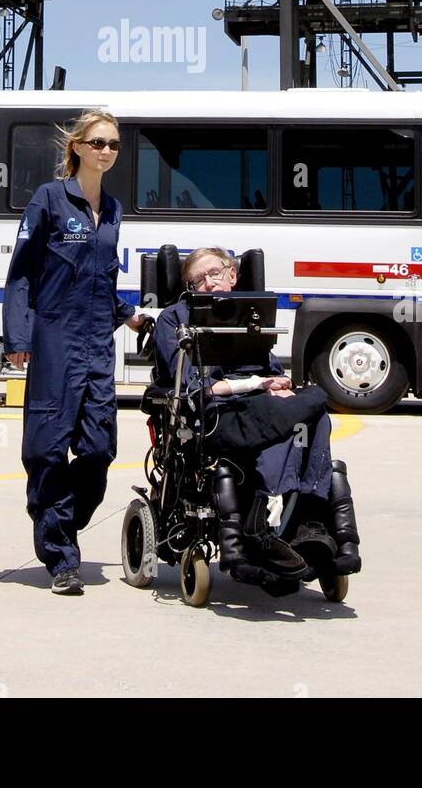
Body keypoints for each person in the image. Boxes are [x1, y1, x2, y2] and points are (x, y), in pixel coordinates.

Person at [3, 110, 151, 595]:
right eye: (98, 142)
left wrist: (127, 313)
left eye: (113, 144)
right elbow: (22, 274)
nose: (107, 151)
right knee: (45, 451)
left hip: (96, 348)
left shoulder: (113, 209)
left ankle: (60, 524)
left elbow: (102, 277)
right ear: (78, 148)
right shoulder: (48, 200)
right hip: (53, 343)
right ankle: (61, 557)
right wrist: (18, 338)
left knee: (99, 449)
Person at [154, 247, 362, 591]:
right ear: (189, 289)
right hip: (217, 413)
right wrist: (255, 385)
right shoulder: (175, 318)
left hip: (262, 405)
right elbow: (194, 386)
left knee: (314, 410)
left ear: (233, 274)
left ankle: (308, 520)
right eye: (198, 280)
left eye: (215, 273)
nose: (209, 283)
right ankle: (265, 526)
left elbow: (270, 369)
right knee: (294, 414)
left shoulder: (252, 313)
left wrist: (279, 386)